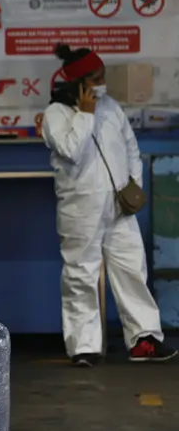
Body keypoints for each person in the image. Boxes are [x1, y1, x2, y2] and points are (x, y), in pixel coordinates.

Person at [41, 44, 176, 367]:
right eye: (95, 77)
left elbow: (131, 148)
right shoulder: (55, 114)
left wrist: (134, 188)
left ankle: (144, 339)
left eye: (102, 75)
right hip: (81, 208)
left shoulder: (111, 107)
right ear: (78, 82)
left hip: (118, 207)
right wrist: (85, 115)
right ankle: (84, 347)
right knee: (81, 274)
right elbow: (72, 149)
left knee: (132, 270)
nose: (102, 82)